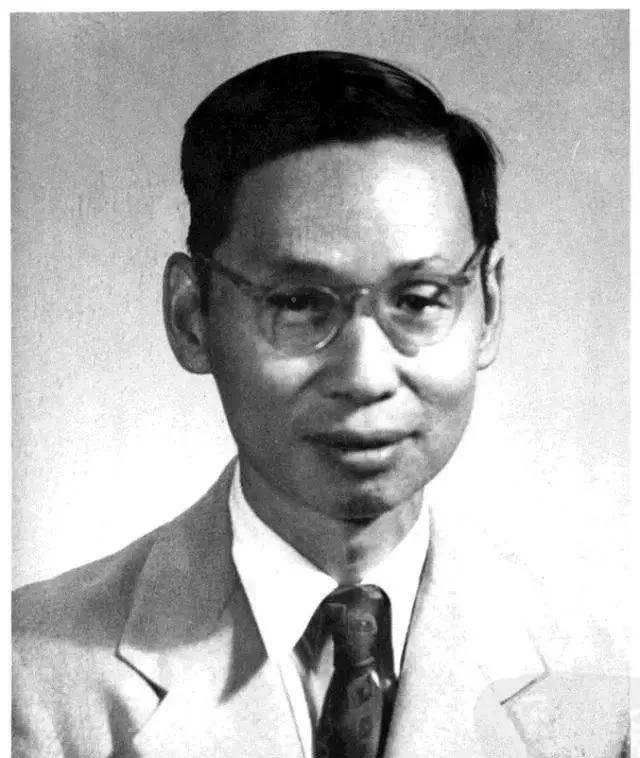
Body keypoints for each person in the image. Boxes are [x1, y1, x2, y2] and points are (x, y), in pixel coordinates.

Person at [12, 50, 628, 758]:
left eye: (419, 300)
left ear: (487, 307)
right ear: (191, 316)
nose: (365, 376)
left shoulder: (608, 668)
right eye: (299, 302)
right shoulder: (31, 678)